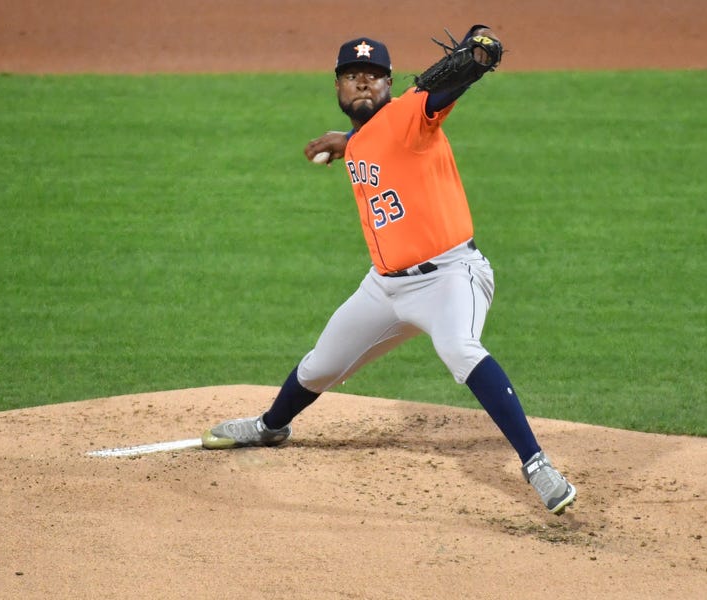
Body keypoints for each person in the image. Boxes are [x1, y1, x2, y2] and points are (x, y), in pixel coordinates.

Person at [201, 25, 577, 515]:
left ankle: (537, 465)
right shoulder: (360, 139)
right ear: (336, 87)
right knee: (320, 366)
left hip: (450, 276)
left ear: (390, 85)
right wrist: (346, 139)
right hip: (384, 287)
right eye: (352, 76)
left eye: (374, 76)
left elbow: (439, 91)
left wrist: (474, 59)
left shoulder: (411, 113)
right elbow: (370, 138)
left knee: (460, 348)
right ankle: (271, 427)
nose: (363, 83)